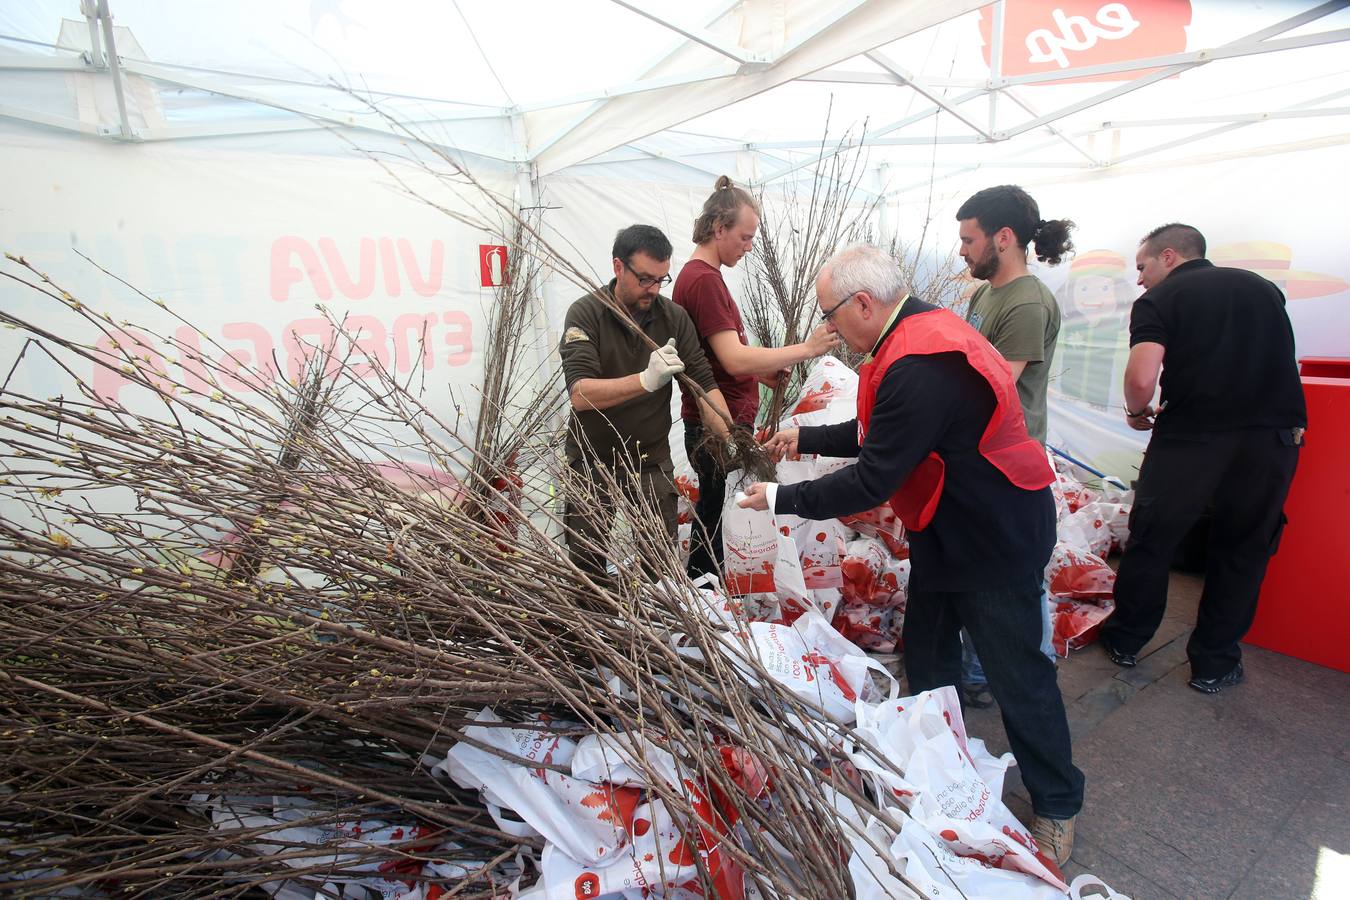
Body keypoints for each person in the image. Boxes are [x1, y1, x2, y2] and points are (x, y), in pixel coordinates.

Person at [738, 244, 1084, 864]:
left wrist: (778, 499)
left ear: (863, 304)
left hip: (994, 532)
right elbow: (883, 429)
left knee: (1017, 673)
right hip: (947, 525)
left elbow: (873, 477)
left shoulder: (921, 362)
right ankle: (942, 766)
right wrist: (806, 434)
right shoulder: (905, 336)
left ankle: (1058, 803)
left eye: (831, 314)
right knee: (926, 653)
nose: (829, 330)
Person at [1100, 223, 1306, 694]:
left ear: (1168, 256)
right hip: (1271, 439)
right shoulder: (1264, 289)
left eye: (1142, 266)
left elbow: (1140, 377)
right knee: (1243, 549)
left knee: (1154, 538)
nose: (1140, 279)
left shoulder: (1161, 300)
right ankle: (1214, 663)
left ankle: (1127, 640)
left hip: (1192, 436)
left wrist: (1136, 412)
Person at [674, 175, 836, 580]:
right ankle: (705, 600)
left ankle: (708, 598)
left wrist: (758, 375)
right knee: (715, 526)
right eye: (745, 238)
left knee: (716, 519)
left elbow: (718, 357)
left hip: (721, 420)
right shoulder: (704, 280)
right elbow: (731, 358)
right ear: (719, 229)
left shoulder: (704, 277)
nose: (748, 247)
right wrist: (808, 348)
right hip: (716, 426)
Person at [955, 184, 1075, 705]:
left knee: (1013, 574)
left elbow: (995, 383)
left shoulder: (1027, 301)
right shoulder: (985, 294)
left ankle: (1014, 672)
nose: (962, 250)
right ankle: (979, 669)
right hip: (980, 453)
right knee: (983, 565)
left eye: (969, 238)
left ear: (1003, 238)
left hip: (1010, 460)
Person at [560, 224, 731, 583]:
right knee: (587, 567)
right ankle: (595, 631)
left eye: (661, 279)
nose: (653, 289)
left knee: (660, 564)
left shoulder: (672, 317)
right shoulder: (586, 314)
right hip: (593, 458)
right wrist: (645, 380)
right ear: (618, 266)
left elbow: (703, 383)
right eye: (644, 279)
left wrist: (732, 438)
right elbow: (580, 393)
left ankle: (657, 629)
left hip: (648, 458)